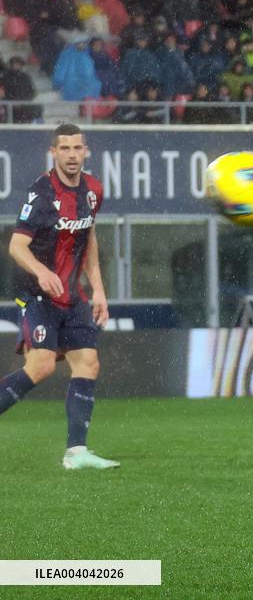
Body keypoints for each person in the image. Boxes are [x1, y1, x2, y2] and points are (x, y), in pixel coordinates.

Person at [0, 124, 117, 470]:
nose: (71, 155)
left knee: (88, 363)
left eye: (77, 148)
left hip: (74, 295)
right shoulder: (41, 193)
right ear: (54, 152)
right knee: (41, 366)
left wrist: (98, 289)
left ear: (86, 151)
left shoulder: (93, 191)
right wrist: (42, 271)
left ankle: (77, 452)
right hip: (39, 295)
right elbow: (16, 246)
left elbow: (89, 239)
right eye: (64, 148)